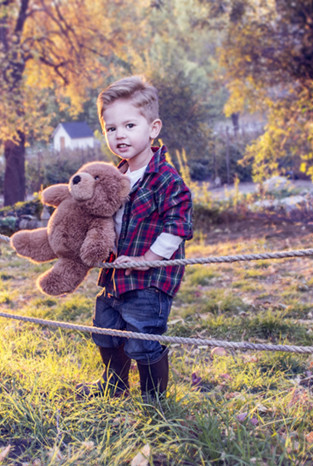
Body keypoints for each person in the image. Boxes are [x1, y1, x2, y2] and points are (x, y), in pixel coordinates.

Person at [77, 76, 193, 402]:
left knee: (143, 338)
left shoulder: (164, 179)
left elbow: (178, 224)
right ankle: (114, 385)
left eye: (129, 125)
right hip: (115, 275)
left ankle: (153, 399)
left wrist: (148, 261)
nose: (120, 135)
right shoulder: (116, 177)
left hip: (150, 280)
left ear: (153, 128)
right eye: (111, 128)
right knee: (106, 330)